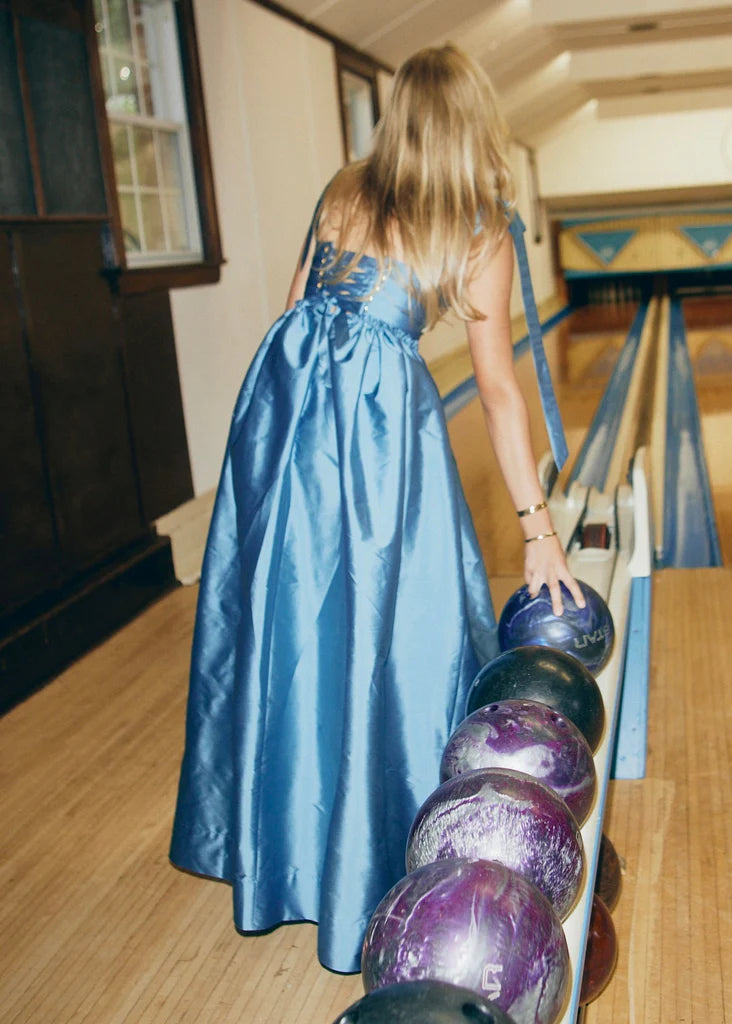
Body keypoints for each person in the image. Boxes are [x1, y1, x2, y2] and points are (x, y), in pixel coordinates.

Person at [169, 43, 584, 975]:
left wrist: (271, 452)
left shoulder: (343, 188)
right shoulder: (479, 224)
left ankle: (278, 846)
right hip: (380, 436)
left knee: (291, 630)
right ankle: (383, 844)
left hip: (284, 416)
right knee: (398, 633)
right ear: (475, 124)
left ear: (398, 116)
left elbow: (293, 308)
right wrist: (539, 532)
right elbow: (498, 391)